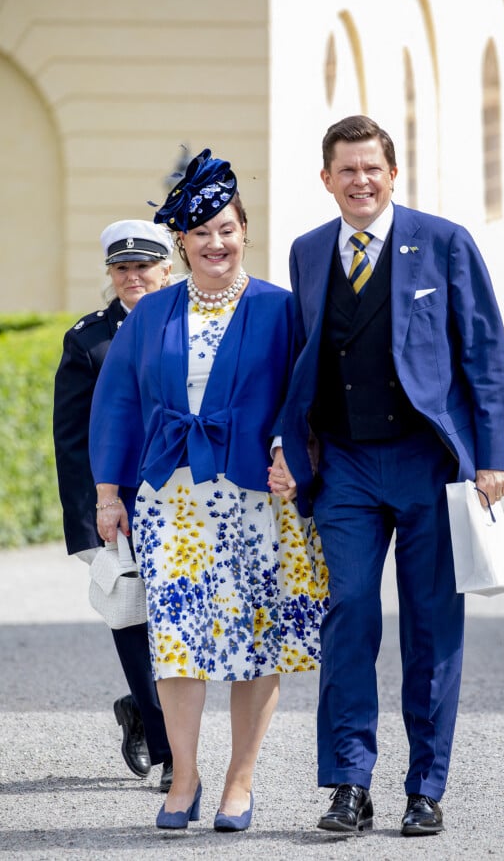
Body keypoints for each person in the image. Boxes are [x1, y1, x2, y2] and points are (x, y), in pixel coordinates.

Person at [268, 115, 504, 837]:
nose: (360, 181)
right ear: (326, 179)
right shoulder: (309, 252)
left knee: (433, 626)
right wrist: (289, 444)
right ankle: (349, 782)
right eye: (346, 170)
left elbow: (486, 355)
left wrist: (492, 456)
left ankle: (425, 787)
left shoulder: (444, 242)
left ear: (393, 172)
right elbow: (303, 355)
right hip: (343, 465)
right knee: (347, 614)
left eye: (371, 168)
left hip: (426, 461)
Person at [88, 149, 328, 832]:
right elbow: (116, 408)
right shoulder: (152, 313)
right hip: (172, 503)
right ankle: (184, 777)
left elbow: (303, 399)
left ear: (244, 229)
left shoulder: (282, 310)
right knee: (178, 643)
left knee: (257, 643)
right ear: (182, 243)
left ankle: (239, 781)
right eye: (200, 233)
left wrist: (296, 455)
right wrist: (110, 494)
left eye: (226, 228)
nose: (215, 243)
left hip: (259, 503)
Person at [53, 219, 175, 791]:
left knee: (181, 620)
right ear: (111, 274)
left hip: (187, 497)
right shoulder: (89, 339)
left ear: (165, 269)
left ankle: (140, 704)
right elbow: (72, 437)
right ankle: (170, 748)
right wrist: (86, 522)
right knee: (133, 616)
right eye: (122, 268)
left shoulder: (191, 320)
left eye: (143, 266)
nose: (133, 276)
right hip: (119, 503)